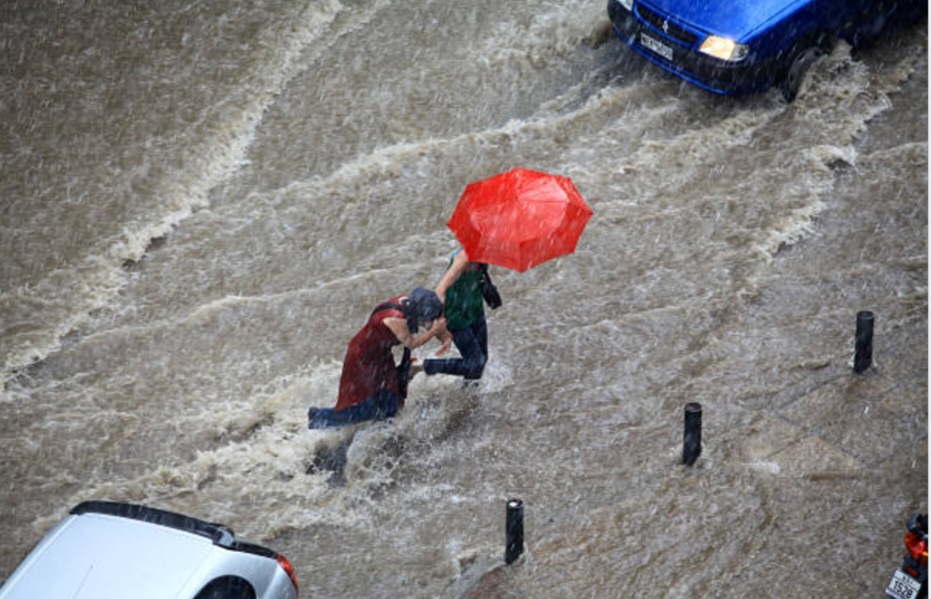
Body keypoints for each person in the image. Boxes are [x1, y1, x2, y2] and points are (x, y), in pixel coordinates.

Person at [308, 287, 445, 429]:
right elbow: (412, 343)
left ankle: (382, 430)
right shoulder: (395, 319)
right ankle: (319, 418)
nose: (428, 323)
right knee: (366, 405)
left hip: (380, 354)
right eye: (427, 319)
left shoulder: (411, 302)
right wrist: (434, 331)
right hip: (363, 359)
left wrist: (442, 334)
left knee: (390, 397)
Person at [415, 247, 495, 384]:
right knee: (476, 364)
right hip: (455, 315)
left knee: (481, 360)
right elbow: (440, 291)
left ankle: (470, 399)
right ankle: (419, 366)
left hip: (475, 309)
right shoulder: (463, 258)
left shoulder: (484, 253)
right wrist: (440, 325)